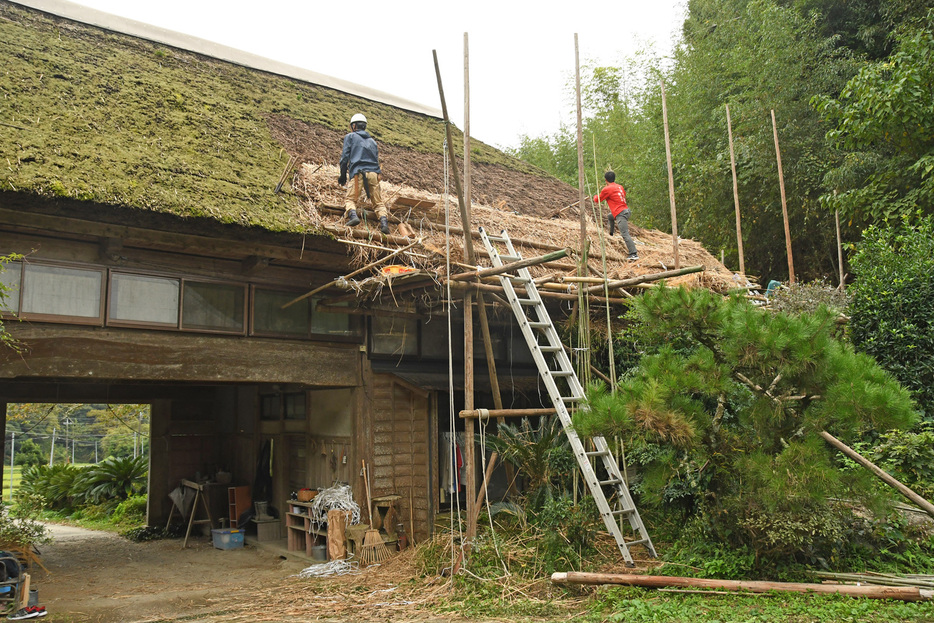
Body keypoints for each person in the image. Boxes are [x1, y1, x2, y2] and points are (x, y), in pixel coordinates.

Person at [338, 113, 390, 235]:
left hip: (358, 173)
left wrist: (342, 175)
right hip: (374, 174)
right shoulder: (373, 142)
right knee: (378, 202)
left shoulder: (350, 137)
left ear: (354, 126)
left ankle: (353, 216)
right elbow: (376, 159)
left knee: (350, 199)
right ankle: (384, 223)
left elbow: (344, 158)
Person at [593, 170, 638, 260]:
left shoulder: (607, 189)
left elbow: (597, 200)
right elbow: (622, 195)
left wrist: (594, 196)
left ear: (606, 180)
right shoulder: (619, 187)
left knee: (625, 234)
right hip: (626, 210)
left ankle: (633, 253)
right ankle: (611, 233)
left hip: (621, 213)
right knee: (610, 216)